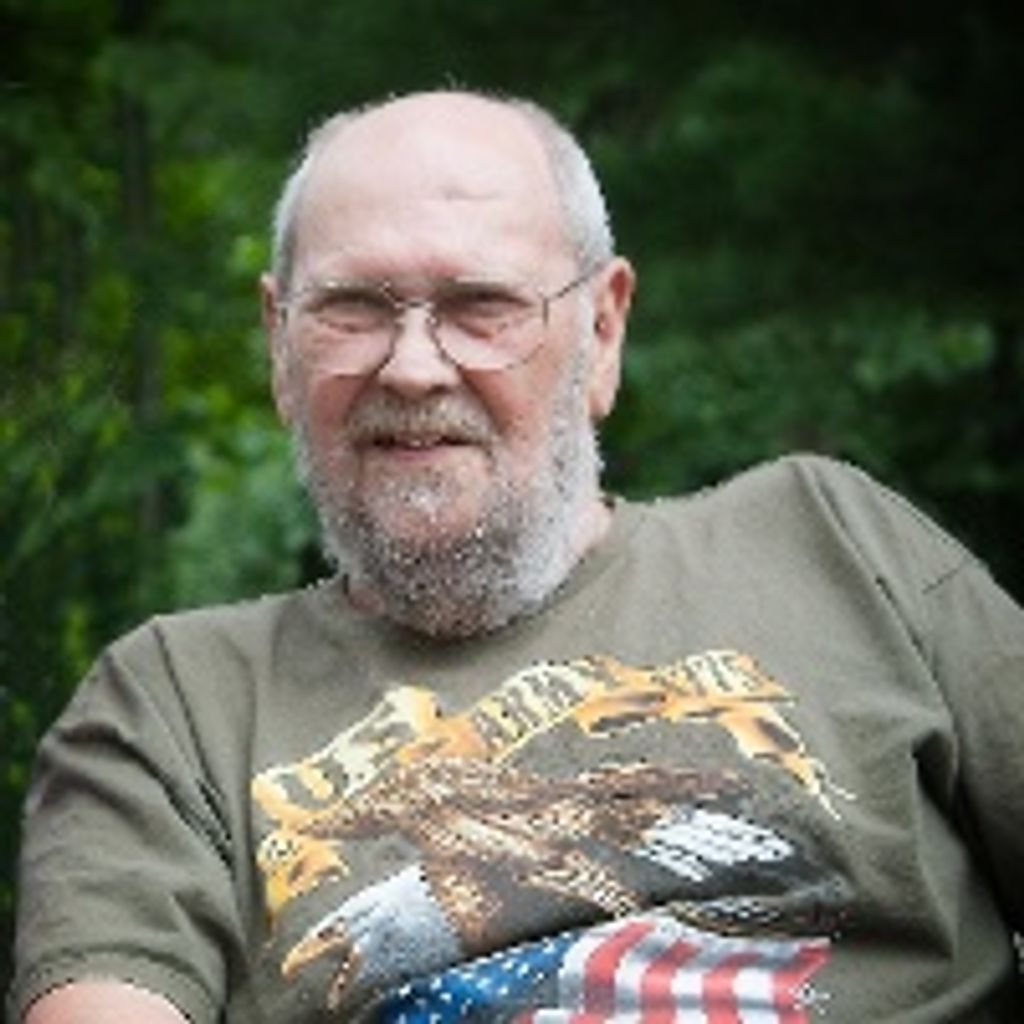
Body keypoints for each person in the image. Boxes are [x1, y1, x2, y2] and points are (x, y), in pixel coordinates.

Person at [8, 89, 1023, 1024]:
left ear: (602, 331)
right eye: (352, 307)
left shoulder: (830, 543)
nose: (412, 366)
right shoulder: (175, 706)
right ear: (281, 346)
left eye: (480, 306)